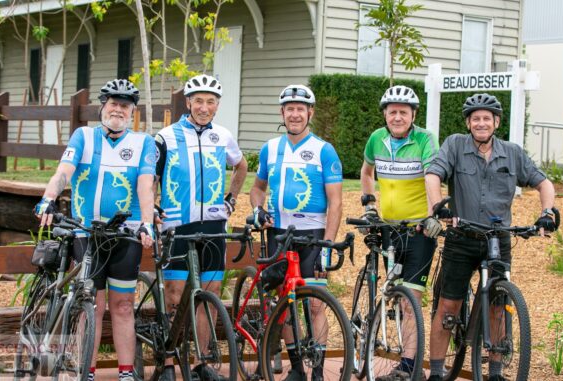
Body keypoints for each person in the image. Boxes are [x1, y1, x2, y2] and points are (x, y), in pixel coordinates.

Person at [424, 93, 557, 381]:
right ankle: (436, 372)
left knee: (499, 307)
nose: (481, 123)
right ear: (468, 123)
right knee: (449, 305)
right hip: (461, 237)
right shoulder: (455, 145)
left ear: (496, 122)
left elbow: (543, 182)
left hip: (498, 239)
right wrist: (438, 208)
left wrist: (547, 212)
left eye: (487, 118)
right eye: (476, 118)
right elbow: (433, 175)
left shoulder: (512, 152)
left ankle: (495, 373)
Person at [34, 79, 156, 381]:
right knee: (94, 303)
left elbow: (145, 186)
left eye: (125, 106)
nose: (118, 109)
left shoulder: (143, 143)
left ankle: (126, 373)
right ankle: (85, 371)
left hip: (125, 236)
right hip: (86, 234)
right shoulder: (84, 137)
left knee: (124, 305)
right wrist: (48, 199)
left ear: (132, 113)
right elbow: (64, 173)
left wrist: (148, 223)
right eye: (113, 104)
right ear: (104, 106)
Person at [155, 73, 248, 380]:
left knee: (211, 292)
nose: (204, 107)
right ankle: (168, 361)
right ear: (188, 102)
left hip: (213, 225)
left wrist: (231, 198)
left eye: (210, 102)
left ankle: (202, 361)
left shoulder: (222, 135)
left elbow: (241, 164)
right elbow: (150, 176)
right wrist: (153, 207)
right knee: (174, 294)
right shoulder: (166, 136)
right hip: (176, 225)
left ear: (217, 105)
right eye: (199, 101)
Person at [250, 84, 343, 380]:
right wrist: (257, 210)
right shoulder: (270, 148)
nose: (294, 114)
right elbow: (257, 188)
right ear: (282, 113)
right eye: (289, 109)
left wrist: (326, 247)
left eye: (300, 109)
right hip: (278, 233)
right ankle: (297, 368)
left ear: (310, 113)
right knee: (285, 302)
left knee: (315, 303)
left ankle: (317, 369)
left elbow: (336, 202)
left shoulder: (324, 151)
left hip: (312, 234)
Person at [359, 85, 439, 381]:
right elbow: (366, 172)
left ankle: (408, 366)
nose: (397, 117)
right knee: (393, 292)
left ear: (413, 115)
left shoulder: (425, 139)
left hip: (419, 229)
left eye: (403, 112)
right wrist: (369, 205)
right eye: (392, 112)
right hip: (389, 229)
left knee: (410, 300)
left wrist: (434, 214)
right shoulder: (376, 139)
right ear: (385, 115)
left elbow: (433, 176)